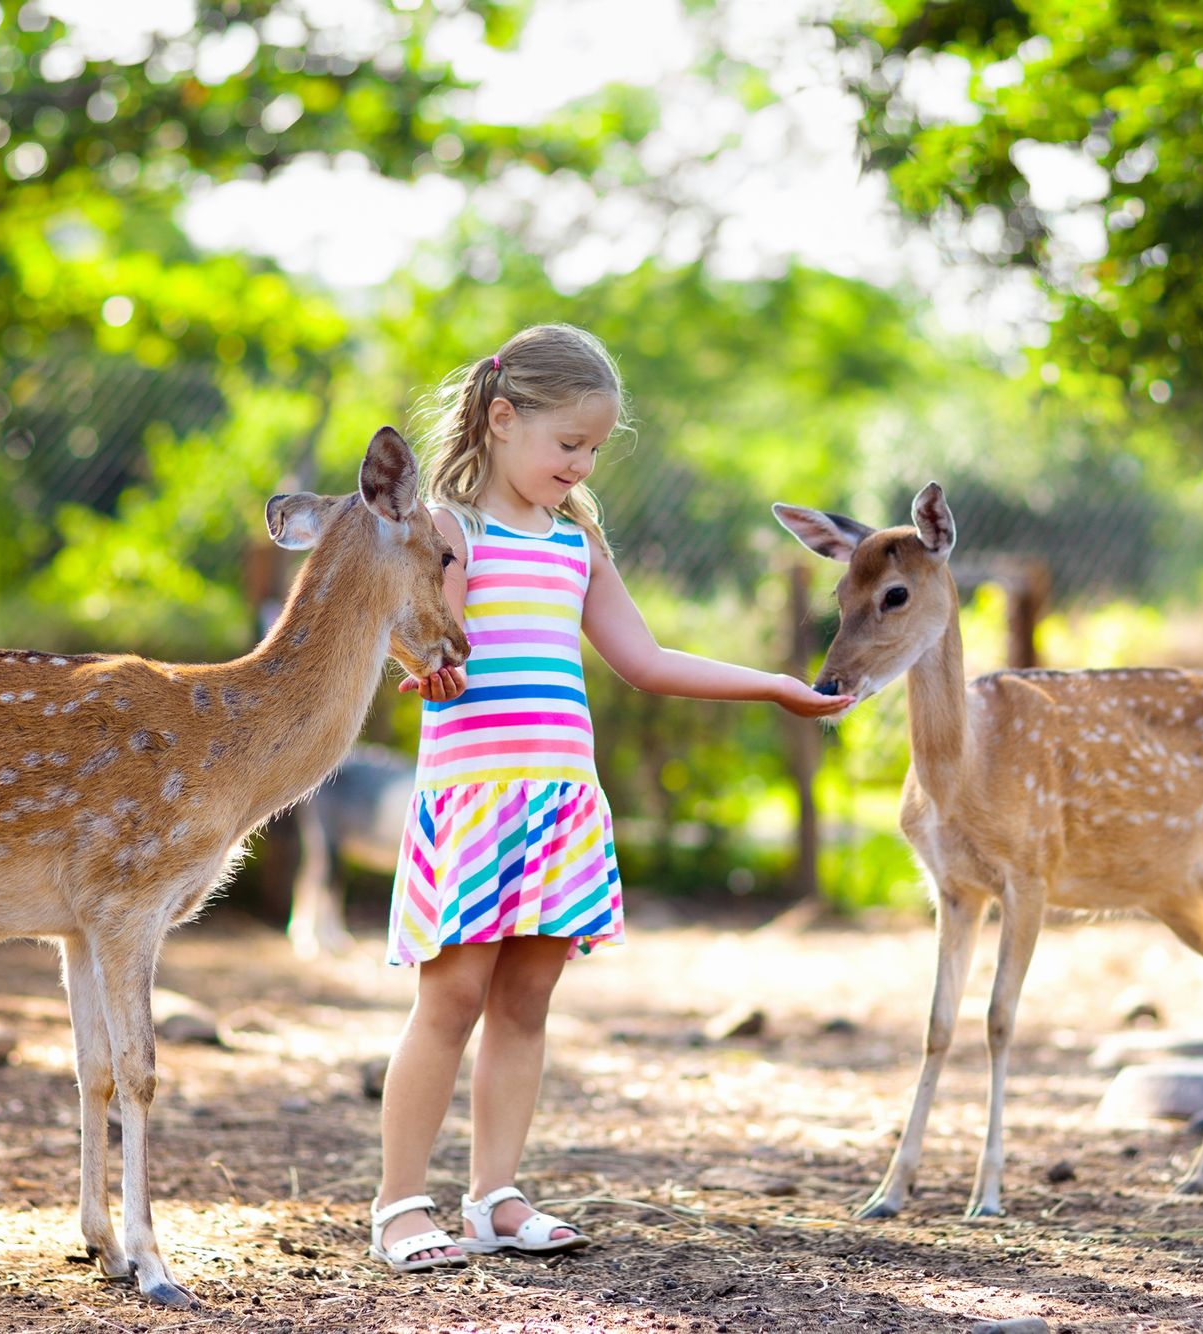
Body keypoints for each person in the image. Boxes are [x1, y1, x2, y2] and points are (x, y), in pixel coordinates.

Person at [367, 324, 856, 1272]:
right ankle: (398, 1204)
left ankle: (493, 1197)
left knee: (528, 999)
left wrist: (774, 685)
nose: (582, 463)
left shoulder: (576, 541)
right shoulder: (450, 528)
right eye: (568, 445)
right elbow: (429, 628)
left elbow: (645, 658)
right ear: (502, 419)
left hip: (559, 803)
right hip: (474, 799)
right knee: (453, 996)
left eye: (593, 449)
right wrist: (427, 665)